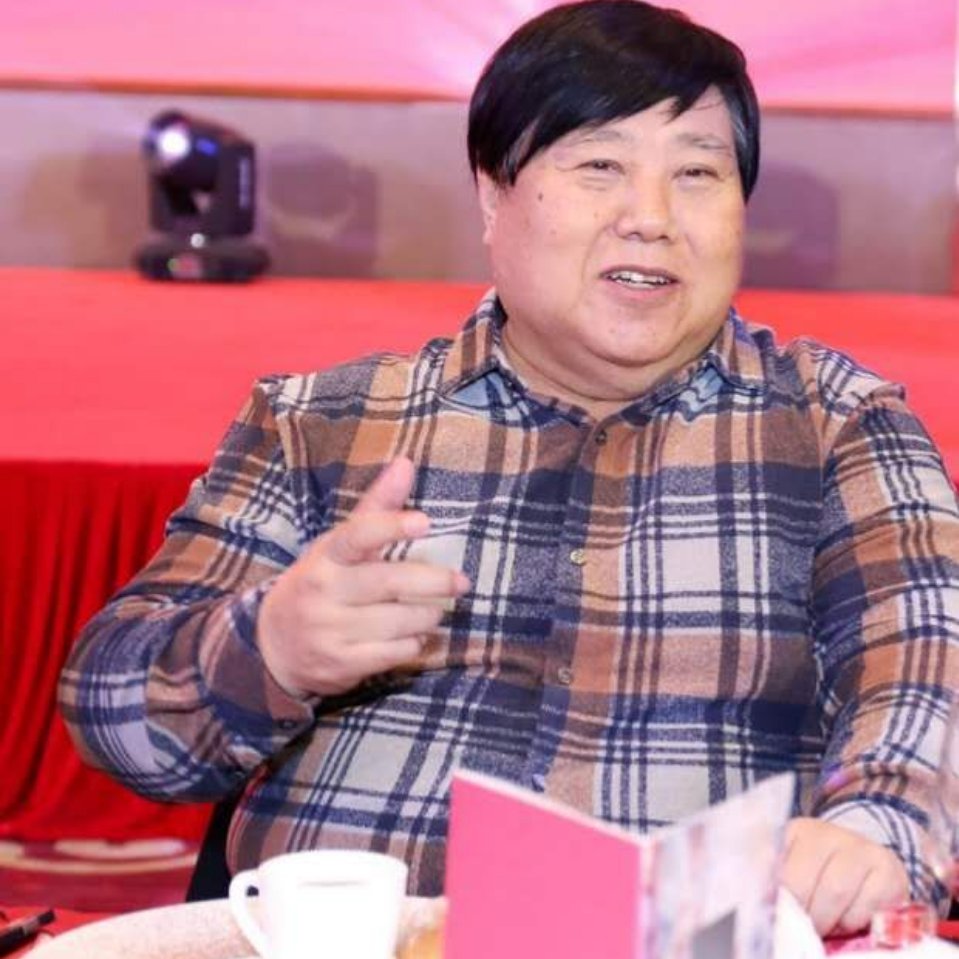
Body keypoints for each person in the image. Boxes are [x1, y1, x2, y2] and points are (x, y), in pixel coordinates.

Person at [59, 0, 959, 937]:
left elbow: (929, 671)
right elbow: (115, 720)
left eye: (697, 173)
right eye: (599, 166)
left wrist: (873, 829)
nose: (650, 219)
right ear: (493, 194)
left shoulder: (836, 425)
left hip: (670, 941)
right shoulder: (319, 423)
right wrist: (270, 647)